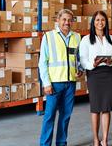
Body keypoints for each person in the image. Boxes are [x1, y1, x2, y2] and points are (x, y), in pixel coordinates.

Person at [39, 9, 83, 146]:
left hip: (70, 83)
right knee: (49, 116)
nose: (67, 22)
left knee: (65, 116)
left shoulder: (77, 37)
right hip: (54, 83)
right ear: (57, 20)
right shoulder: (48, 37)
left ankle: (61, 143)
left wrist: (80, 70)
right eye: (64, 19)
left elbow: (79, 59)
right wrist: (46, 83)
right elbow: (42, 63)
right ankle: (45, 144)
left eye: (70, 20)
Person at [79, 11, 112, 146]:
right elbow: (83, 60)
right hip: (94, 74)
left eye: (102, 20)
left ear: (106, 22)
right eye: (97, 20)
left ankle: (105, 139)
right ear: (93, 22)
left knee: (106, 108)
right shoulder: (86, 39)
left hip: (108, 74)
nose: (100, 23)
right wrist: (93, 64)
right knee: (96, 108)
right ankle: (96, 139)